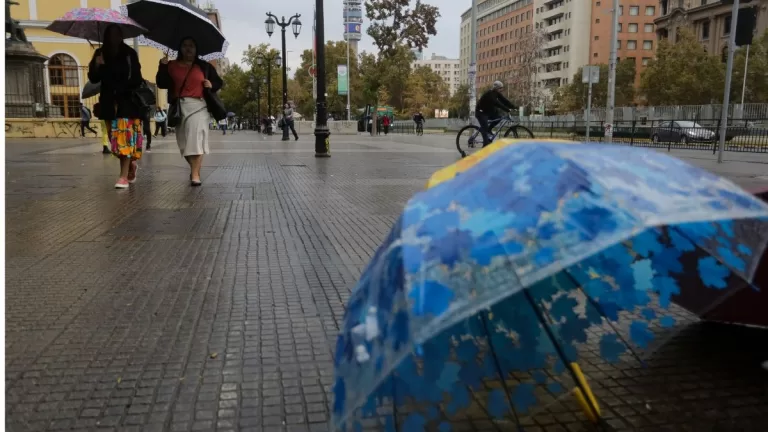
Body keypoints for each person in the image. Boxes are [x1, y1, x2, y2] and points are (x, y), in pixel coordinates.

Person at [156, 36, 223, 187]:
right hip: (179, 107)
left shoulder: (204, 67)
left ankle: (195, 174)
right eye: (185, 45)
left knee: (196, 139)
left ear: (196, 49)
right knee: (184, 144)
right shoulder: (171, 65)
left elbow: (219, 82)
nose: (188, 48)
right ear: (180, 48)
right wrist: (162, 66)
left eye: (191, 46)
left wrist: (211, 84)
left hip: (199, 106)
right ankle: (195, 168)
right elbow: (161, 83)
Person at [88, 24, 145, 189]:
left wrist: (121, 90)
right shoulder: (100, 53)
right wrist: (97, 65)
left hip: (126, 102)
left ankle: (123, 177)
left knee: (123, 139)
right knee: (115, 143)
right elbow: (93, 78)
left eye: (117, 34)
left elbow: (137, 78)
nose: (113, 38)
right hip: (107, 103)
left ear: (121, 36)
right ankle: (130, 165)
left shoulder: (129, 54)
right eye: (110, 34)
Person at [476, 80, 517, 147]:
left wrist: (513, 107)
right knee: (485, 127)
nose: (501, 89)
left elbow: (504, 101)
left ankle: (489, 130)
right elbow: (497, 103)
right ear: (496, 88)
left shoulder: (497, 93)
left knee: (498, 118)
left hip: (488, 112)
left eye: (502, 88)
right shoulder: (490, 94)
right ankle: (485, 145)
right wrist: (507, 109)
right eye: (500, 88)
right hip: (480, 112)